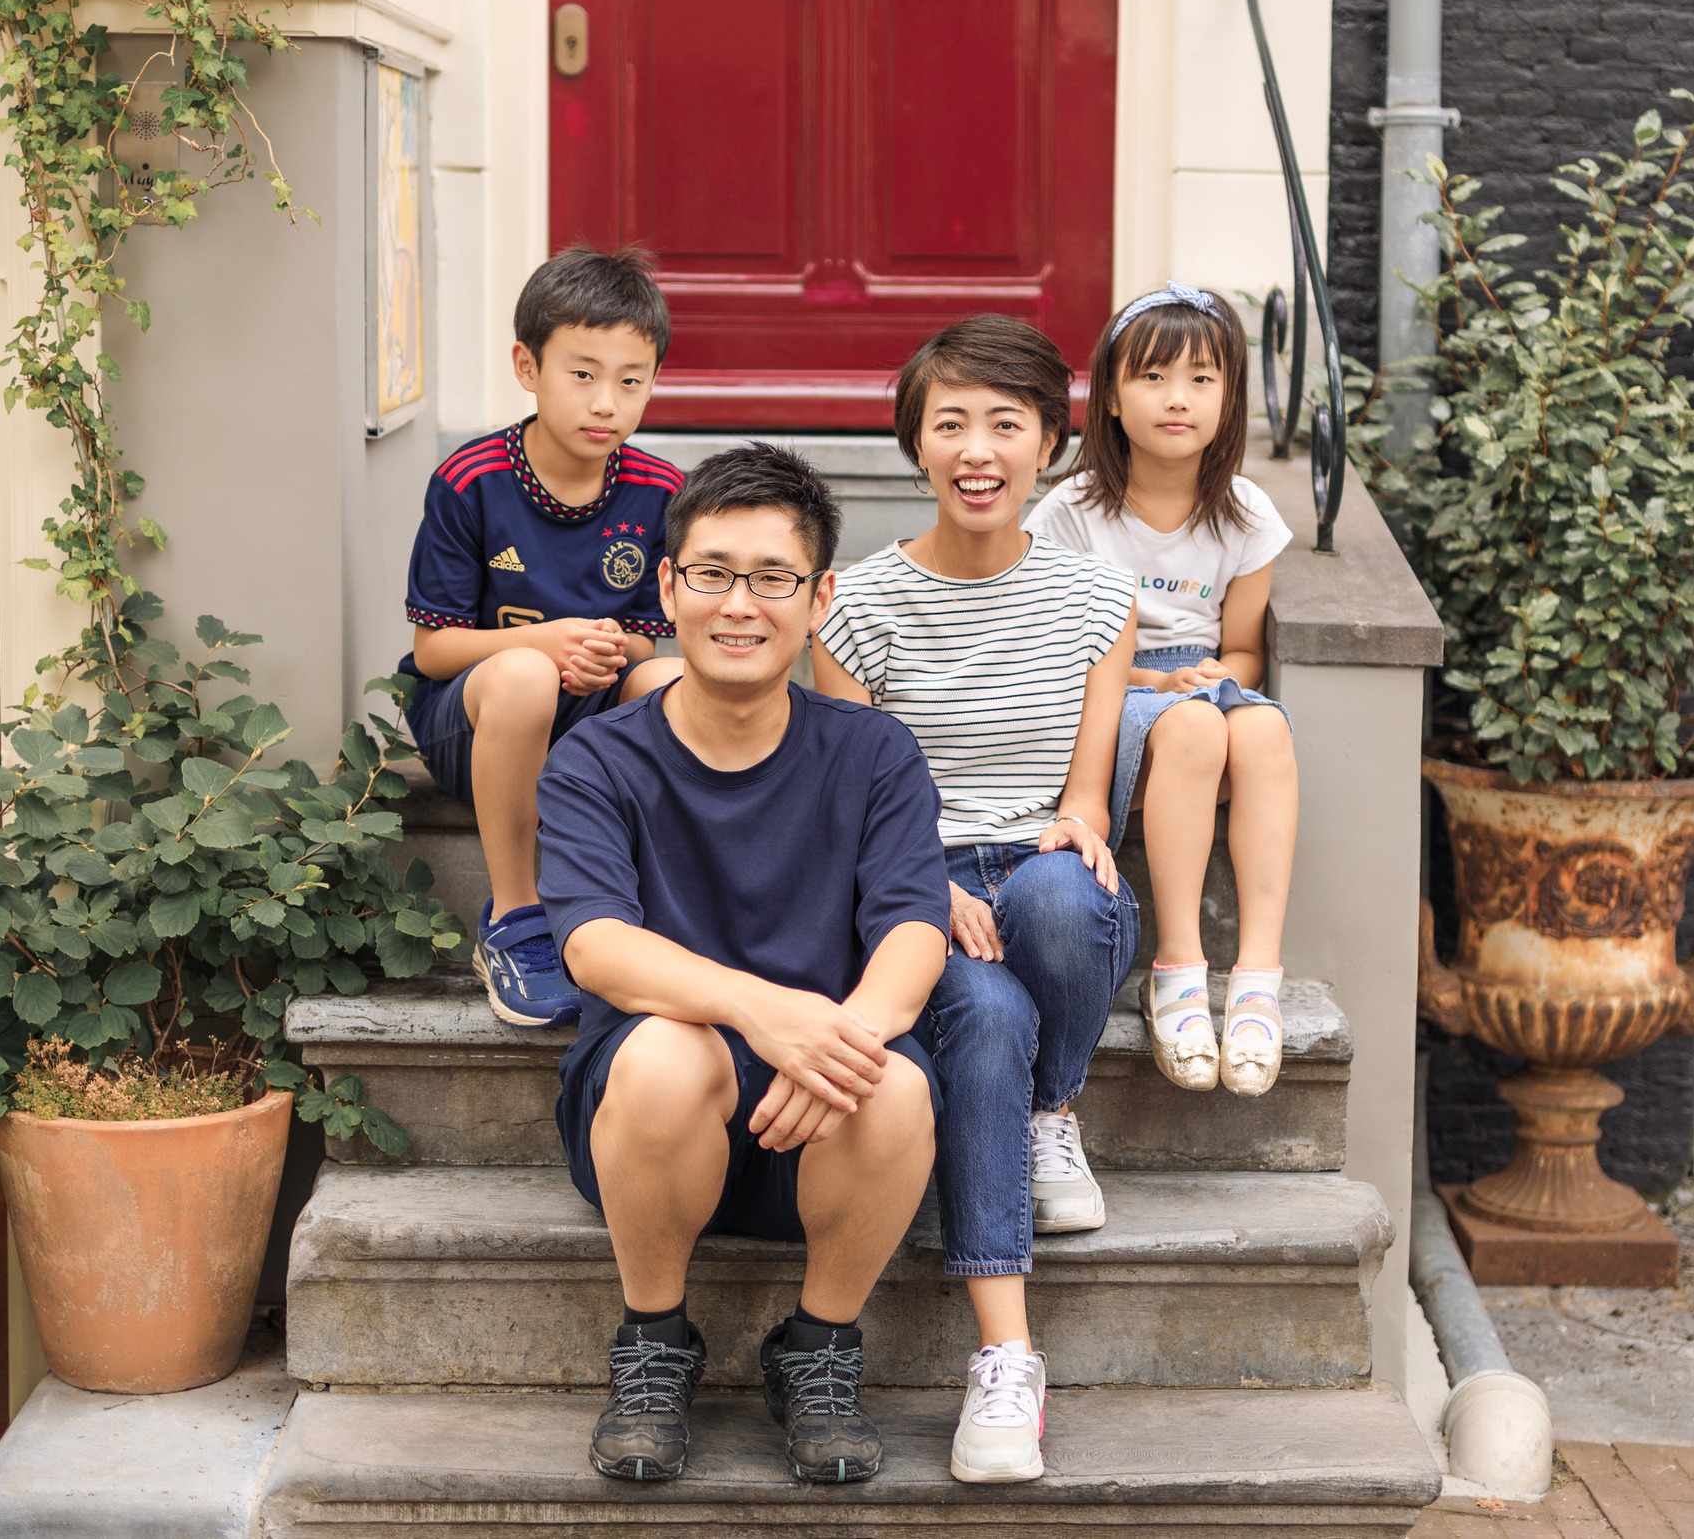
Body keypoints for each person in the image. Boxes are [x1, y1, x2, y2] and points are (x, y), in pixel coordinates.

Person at [539, 444, 950, 1487]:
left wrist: (840, 1041)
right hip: (653, 1130)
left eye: (773, 579)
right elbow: (594, 946)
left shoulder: (872, 753)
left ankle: (817, 1348)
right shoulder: (598, 758)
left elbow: (913, 929)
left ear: (818, 601)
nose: (740, 604)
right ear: (668, 587)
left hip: (822, 1137)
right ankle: (653, 1344)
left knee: (893, 1085)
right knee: (670, 1052)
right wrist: (768, 1016)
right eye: (713, 573)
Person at [812, 316, 1139, 1486]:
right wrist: (926, 883)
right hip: (911, 883)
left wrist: (1074, 829)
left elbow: (1087, 798)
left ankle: (1054, 1109)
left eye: (1007, 422)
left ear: (1051, 442)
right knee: (983, 1018)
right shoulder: (854, 609)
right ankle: (1008, 1363)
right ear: (914, 445)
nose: (978, 448)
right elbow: (853, 795)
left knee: (1062, 897)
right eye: (949, 422)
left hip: (1043, 870)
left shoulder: (1099, 599)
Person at [396, 244, 686, 1028]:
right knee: (525, 674)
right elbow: (433, 650)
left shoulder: (661, 493)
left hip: (587, 717)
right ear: (528, 366)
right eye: (583, 374)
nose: (607, 403)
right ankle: (518, 918)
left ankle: (655, 902)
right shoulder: (473, 480)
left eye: (632, 381)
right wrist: (546, 645)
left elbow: (645, 647)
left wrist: (603, 652)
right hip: (477, 723)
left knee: (669, 687)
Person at [1028, 281, 1301, 1097]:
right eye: (1152, 377)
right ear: (1110, 396)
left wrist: (1224, 677)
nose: (1176, 399)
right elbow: (1064, 650)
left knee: (1262, 730)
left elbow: (1246, 646)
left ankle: (1256, 979)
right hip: (1111, 695)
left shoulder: (1244, 515)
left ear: (1229, 398)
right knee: (1190, 729)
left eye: (1200, 379)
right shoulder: (1073, 512)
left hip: (1199, 684)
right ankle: (1177, 969)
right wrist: (1158, 680)